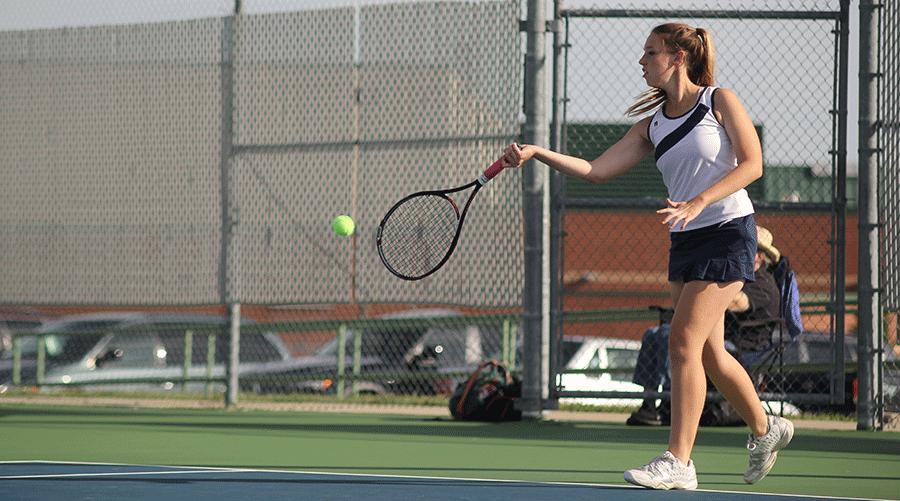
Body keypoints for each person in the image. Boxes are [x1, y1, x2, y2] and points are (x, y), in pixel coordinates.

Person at [499, 23, 793, 490]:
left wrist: (699, 200)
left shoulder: (718, 101)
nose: (641, 61)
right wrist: (537, 152)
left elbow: (753, 164)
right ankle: (766, 428)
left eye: (650, 52)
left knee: (680, 343)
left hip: (728, 233)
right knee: (711, 353)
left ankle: (680, 461)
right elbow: (596, 170)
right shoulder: (652, 125)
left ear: (678, 57)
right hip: (686, 239)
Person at [627, 225, 782, 427]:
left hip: (742, 345)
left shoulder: (763, 282)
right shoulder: (734, 274)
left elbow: (737, 303)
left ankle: (668, 402)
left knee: (672, 336)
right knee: (654, 333)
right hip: (714, 334)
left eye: (745, 248)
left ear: (760, 256)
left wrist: (710, 288)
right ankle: (648, 403)